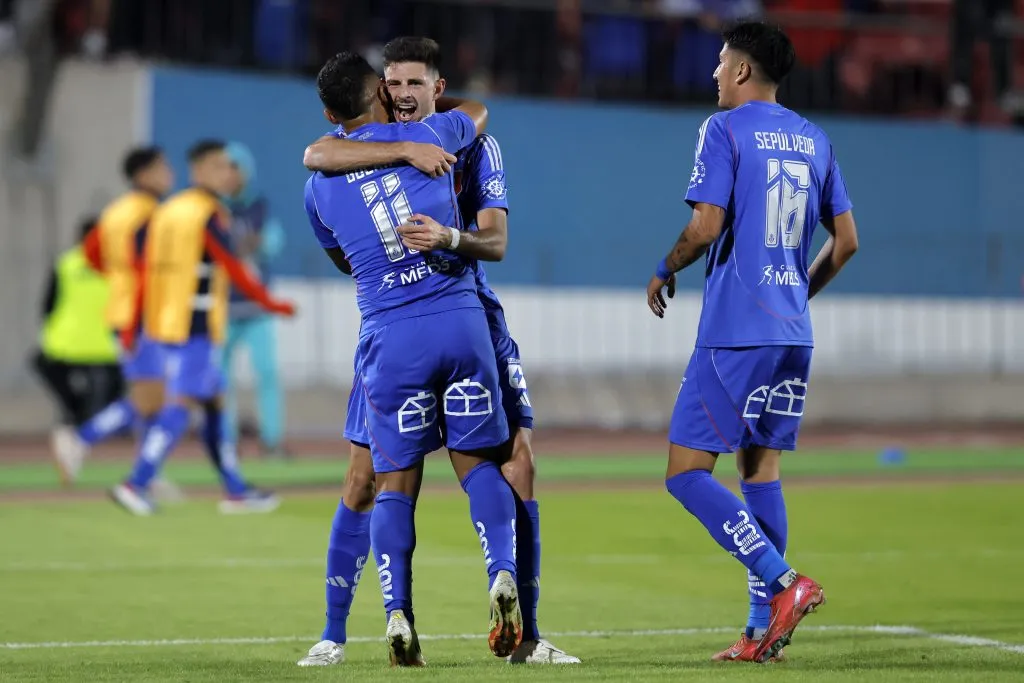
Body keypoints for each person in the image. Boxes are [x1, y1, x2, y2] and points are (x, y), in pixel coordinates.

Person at [297, 36, 579, 667]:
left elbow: (495, 240)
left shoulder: (460, 143)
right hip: (448, 323)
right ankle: (333, 634)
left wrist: (447, 236)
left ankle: (519, 633)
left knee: (511, 462)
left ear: (437, 85)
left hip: (438, 320)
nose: (402, 95)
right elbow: (322, 154)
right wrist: (406, 152)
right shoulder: (405, 147)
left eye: (413, 84)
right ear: (378, 92)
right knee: (368, 477)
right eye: (392, 85)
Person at [644, 22, 858, 664]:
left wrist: (664, 266)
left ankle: (786, 580)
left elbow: (705, 225)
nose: (713, 75)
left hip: (736, 333)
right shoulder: (814, 137)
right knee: (759, 470)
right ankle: (760, 631)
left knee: (686, 473)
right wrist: (796, 295)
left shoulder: (723, 129)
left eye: (719, 64)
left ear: (740, 71)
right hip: (793, 334)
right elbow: (846, 242)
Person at [109, 140, 296, 517]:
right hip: (194, 327)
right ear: (201, 170)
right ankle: (136, 482)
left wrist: (138, 322)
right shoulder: (207, 213)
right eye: (221, 167)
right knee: (180, 406)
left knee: (212, 404)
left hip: (166, 324)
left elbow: (140, 263)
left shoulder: (168, 210)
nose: (229, 174)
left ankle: (235, 490)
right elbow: (231, 263)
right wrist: (272, 303)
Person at [52, 147, 174, 484]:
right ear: (143, 175)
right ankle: (80, 439)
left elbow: (91, 254)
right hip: (143, 313)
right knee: (151, 397)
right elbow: (145, 267)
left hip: (122, 310)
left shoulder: (114, 212)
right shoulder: (151, 215)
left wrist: (119, 280)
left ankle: (148, 469)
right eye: (162, 168)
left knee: (154, 395)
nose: (169, 174)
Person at [33, 216, 123, 463]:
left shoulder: (65, 263)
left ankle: (71, 426)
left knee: (73, 399)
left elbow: (47, 305)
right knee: (120, 401)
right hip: (103, 347)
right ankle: (80, 435)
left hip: (62, 346)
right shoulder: (115, 266)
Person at [221, 141, 289, 458]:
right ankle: (225, 439)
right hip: (222, 306)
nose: (229, 175)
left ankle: (271, 440)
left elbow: (273, 242)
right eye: (223, 169)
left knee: (268, 373)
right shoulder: (213, 208)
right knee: (220, 376)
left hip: (256, 305)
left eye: (234, 169)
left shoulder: (259, 206)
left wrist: (258, 242)